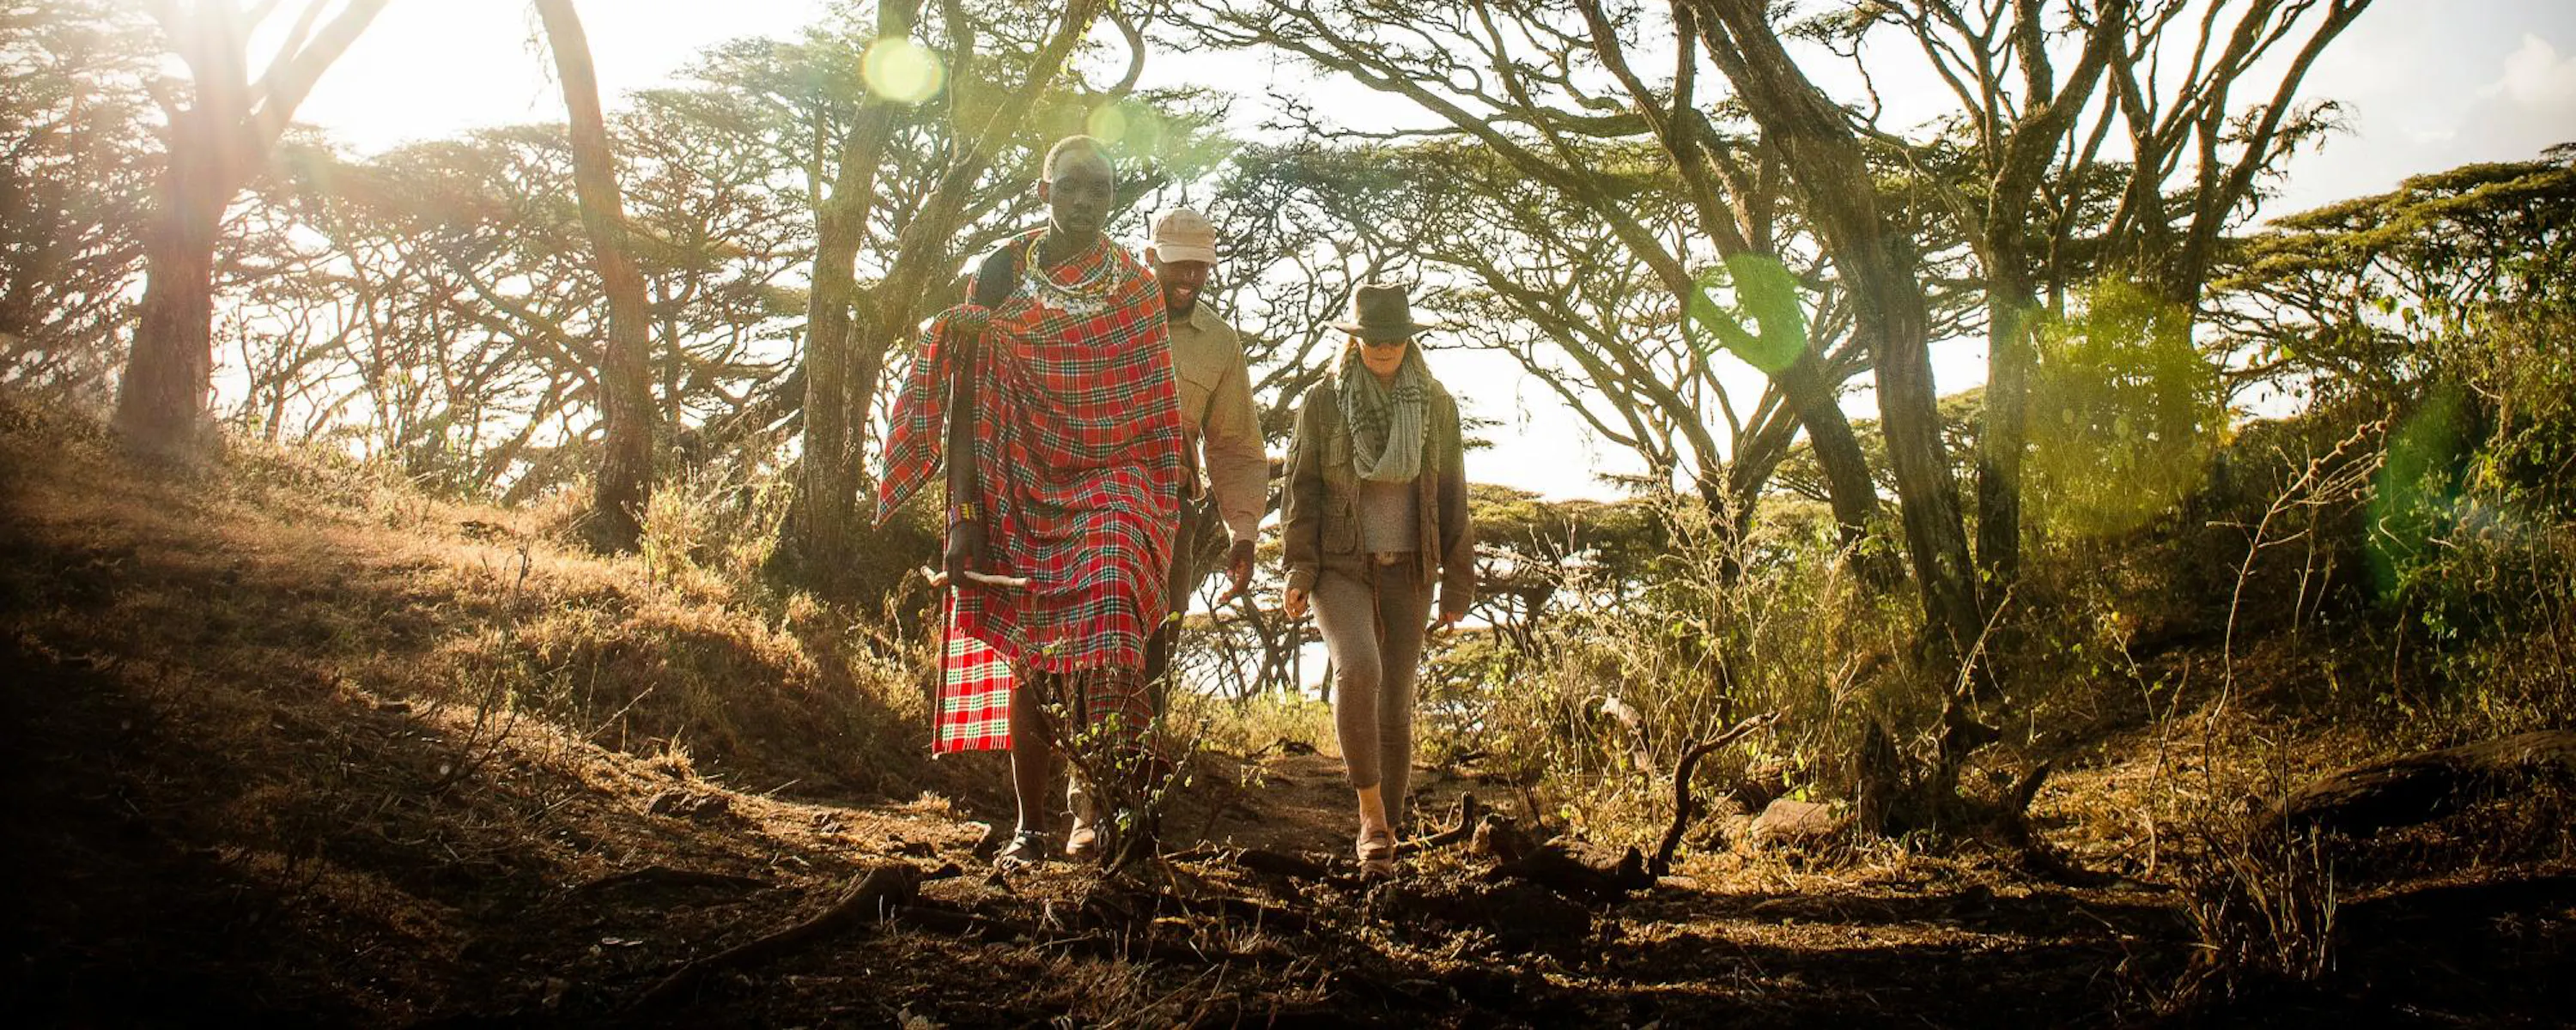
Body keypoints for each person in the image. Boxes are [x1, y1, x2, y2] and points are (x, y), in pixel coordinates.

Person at [876, 136, 1185, 869]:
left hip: (1117, 486)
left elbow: (1155, 414)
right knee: (1034, 659)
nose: (1086, 202)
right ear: (1043, 192)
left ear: (1113, 200)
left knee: (1112, 613)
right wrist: (964, 520)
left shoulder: (1137, 288)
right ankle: (1029, 828)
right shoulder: (999, 273)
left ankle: (1119, 814)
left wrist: (1161, 509)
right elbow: (965, 403)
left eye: (1101, 191)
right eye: (1071, 187)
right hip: (1017, 486)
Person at [1279, 282, 1475, 877]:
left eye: (1394, 338)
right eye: (1373, 339)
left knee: (1396, 703)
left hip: (1411, 568)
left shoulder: (1436, 405)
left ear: (1408, 339)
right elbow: (1300, 489)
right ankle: (1369, 816)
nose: (1384, 348)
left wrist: (1458, 587)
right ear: (1356, 340)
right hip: (1340, 567)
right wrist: (1298, 567)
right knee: (1358, 669)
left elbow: (1452, 496)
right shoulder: (1324, 403)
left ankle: (1385, 839)